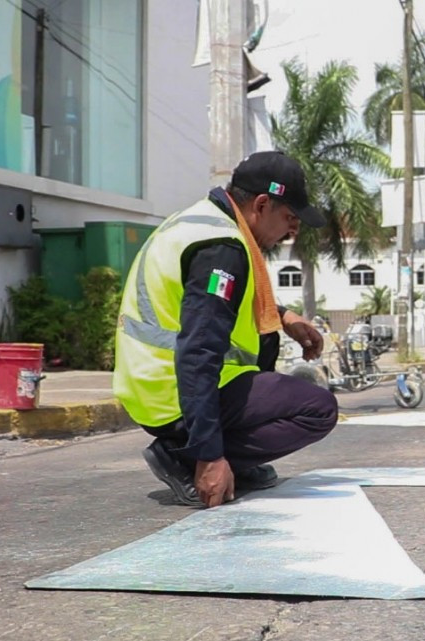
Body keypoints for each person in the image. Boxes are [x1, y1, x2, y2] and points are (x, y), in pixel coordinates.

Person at [113, 151, 339, 508]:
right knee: (318, 408)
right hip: (172, 392)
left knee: (272, 355)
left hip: (152, 384)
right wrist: (208, 455)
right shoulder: (222, 248)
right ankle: (186, 457)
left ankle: (223, 457)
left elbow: (209, 304)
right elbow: (199, 351)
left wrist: (283, 317)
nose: (294, 230)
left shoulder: (201, 223)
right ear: (261, 205)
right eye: (290, 217)